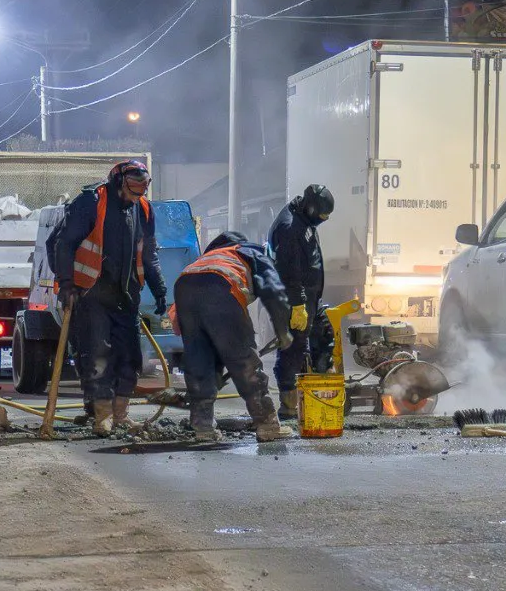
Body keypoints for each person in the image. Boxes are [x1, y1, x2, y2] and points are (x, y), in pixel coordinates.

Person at [53, 160, 168, 435]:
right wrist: (67, 284)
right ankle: (101, 415)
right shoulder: (91, 202)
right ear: (119, 182)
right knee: (97, 356)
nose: (137, 195)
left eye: (143, 189)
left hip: (126, 295)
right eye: (133, 189)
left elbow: (149, 253)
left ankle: (120, 414)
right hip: (91, 293)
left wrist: (160, 288)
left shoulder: (143, 209)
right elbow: (63, 244)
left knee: (129, 356)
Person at [173, 231, 294, 442]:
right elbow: (273, 291)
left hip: (183, 288)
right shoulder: (250, 251)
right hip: (221, 287)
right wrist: (283, 330)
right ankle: (267, 425)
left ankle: (203, 428)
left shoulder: (204, 259)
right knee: (244, 361)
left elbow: (186, 325)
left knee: (200, 362)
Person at [267, 184, 334, 419]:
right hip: (292, 300)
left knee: (324, 337)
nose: (323, 220)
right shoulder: (289, 227)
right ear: (312, 208)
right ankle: (288, 408)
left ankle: (323, 397)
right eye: (322, 216)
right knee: (293, 350)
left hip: (308, 298)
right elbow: (289, 272)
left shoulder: (304, 219)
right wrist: (297, 305)